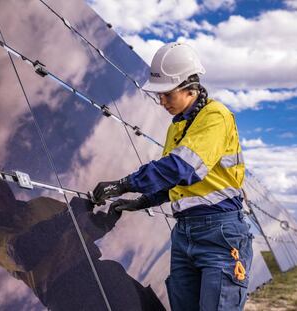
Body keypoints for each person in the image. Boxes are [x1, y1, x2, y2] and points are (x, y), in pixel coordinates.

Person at [92, 42, 253, 311]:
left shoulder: (216, 116)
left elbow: (180, 168)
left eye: (167, 94)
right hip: (184, 234)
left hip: (220, 233)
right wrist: (140, 201)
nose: (161, 101)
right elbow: (174, 183)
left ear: (191, 88)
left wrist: (124, 185)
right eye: (159, 95)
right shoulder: (177, 127)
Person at [0, 166, 165, 310]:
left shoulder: (41, 204)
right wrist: (68, 215)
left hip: (101, 273)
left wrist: (105, 222)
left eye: (1, 186)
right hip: (69, 299)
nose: (3, 194)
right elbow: (23, 252)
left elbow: (83, 232)